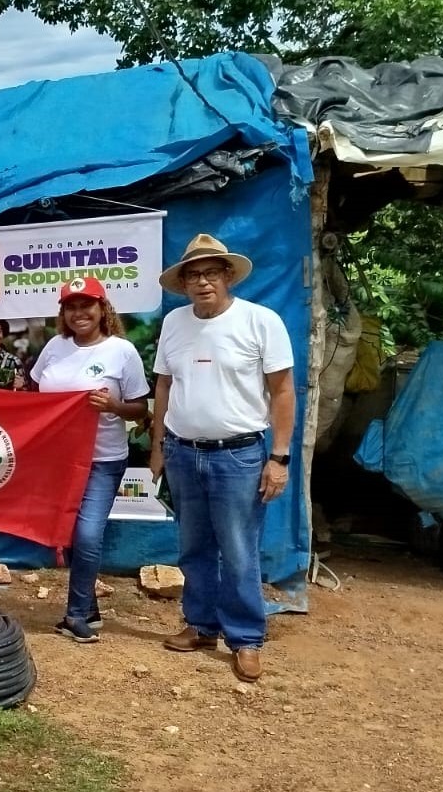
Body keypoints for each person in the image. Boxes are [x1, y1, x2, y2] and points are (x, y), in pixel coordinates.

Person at [149, 234, 295, 683]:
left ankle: (246, 637)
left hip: (240, 456)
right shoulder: (174, 323)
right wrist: (158, 450)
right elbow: (164, 387)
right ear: (184, 282)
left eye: (212, 272)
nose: (203, 281)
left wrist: (280, 458)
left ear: (228, 275)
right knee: (193, 547)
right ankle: (200, 624)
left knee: (238, 551)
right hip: (182, 452)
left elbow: (283, 390)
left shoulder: (260, 321)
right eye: (194, 274)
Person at [27, 277, 150, 644]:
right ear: (63, 313)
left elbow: (140, 409)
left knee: (87, 533)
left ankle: (76, 615)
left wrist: (113, 406)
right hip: (57, 460)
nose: (79, 313)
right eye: (71, 307)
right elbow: (36, 395)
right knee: (66, 532)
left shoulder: (122, 351)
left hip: (102, 459)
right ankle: (89, 606)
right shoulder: (54, 346)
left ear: (102, 309)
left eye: (87, 305)